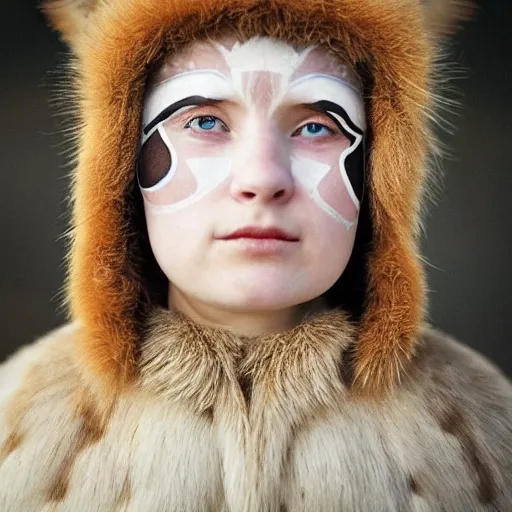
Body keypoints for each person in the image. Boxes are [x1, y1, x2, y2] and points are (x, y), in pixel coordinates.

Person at [0, 0, 510, 510]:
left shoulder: (488, 431)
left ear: (379, 177)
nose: (262, 179)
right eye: (204, 122)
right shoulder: (12, 419)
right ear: (123, 165)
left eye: (316, 126)